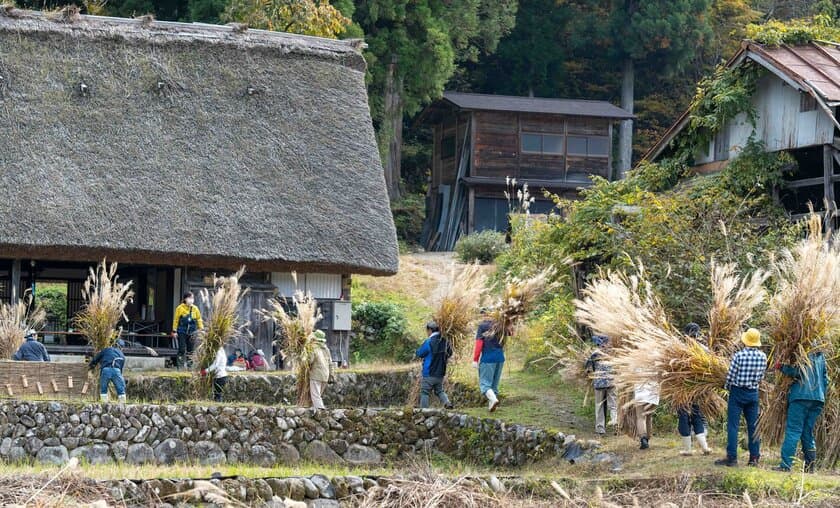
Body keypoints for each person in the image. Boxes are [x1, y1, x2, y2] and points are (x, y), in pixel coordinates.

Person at [716, 328, 767, 467]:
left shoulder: (739, 356)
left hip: (737, 393)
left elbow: (731, 376)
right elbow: (761, 377)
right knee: (753, 427)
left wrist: (726, 386)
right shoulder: (763, 357)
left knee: (733, 426)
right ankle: (754, 458)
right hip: (753, 394)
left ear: (746, 341)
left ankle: (732, 458)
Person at [772, 348, 829, 472]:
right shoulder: (820, 356)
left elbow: (798, 372)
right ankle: (810, 467)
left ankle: (785, 466)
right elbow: (826, 380)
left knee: (793, 430)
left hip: (801, 397)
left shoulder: (803, 351)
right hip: (818, 399)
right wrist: (820, 395)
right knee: (807, 432)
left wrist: (781, 367)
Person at [678, 323, 713, 456]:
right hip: (697, 388)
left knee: (683, 416)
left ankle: (688, 450)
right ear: (698, 333)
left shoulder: (678, 349)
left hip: (680, 388)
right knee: (697, 414)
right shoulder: (704, 349)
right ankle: (705, 447)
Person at [416, 321, 454, 409]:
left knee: (425, 392)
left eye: (427, 331)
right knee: (439, 390)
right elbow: (450, 353)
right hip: (440, 373)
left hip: (429, 373)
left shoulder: (429, 342)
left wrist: (417, 351)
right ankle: (447, 403)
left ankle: (424, 411)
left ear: (430, 330)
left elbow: (420, 353)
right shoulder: (445, 341)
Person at [473, 308, 506, 412]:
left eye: (482, 315)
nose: (482, 317)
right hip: (500, 358)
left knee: (485, 384)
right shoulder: (500, 324)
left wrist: (475, 359)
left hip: (488, 359)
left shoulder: (482, 326)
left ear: (485, 314)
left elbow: (479, 344)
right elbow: (511, 333)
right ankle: (492, 406)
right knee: (494, 385)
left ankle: (493, 400)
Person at [585, 335, 617, 436]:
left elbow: (588, 370)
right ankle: (616, 425)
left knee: (599, 406)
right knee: (613, 405)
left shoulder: (594, 354)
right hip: (612, 382)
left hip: (599, 383)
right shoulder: (614, 353)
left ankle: (600, 428)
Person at [171, 292, 204, 368]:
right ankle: (180, 366)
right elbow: (176, 320)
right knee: (182, 349)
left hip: (192, 331)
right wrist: (174, 331)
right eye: (189, 298)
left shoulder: (195, 308)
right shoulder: (179, 308)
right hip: (182, 331)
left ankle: (190, 366)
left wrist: (201, 329)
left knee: (191, 350)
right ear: (185, 299)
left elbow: (199, 319)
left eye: (192, 298)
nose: (191, 300)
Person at [88, 339, 126, 404]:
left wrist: (91, 366)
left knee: (103, 389)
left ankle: (104, 404)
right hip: (117, 371)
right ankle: (123, 404)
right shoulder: (122, 355)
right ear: (121, 347)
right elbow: (121, 369)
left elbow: (96, 358)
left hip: (106, 370)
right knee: (121, 389)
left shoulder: (106, 350)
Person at [309, 331, 334, 410]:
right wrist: (331, 375)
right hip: (325, 376)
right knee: (318, 395)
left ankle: (321, 410)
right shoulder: (326, 349)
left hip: (316, 375)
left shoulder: (313, 348)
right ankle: (314, 410)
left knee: (315, 395)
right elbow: (331, 363)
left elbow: (310, 361)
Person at [633, 378, 660, 450]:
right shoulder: (654, 366)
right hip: (653, 390)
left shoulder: (636, 366)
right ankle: (647, 439)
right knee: (649, 418)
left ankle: (643, 439)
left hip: (640, 390)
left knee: (641, 417)